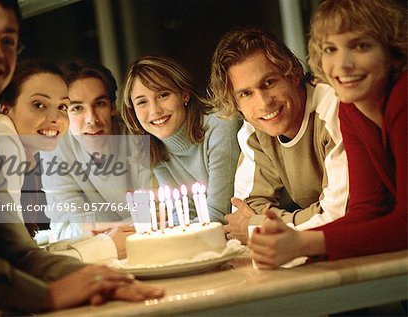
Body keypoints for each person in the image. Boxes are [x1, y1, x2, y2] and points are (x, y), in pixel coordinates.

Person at [0, 0, 163, 314]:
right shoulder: (1, 138)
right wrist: (46, 296)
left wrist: (99, 278)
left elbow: (14, 251)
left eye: (9, 40)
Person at [248, 0, 407, 269]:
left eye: (361, 46)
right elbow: (368, 209)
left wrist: (304, 243)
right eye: (330, 49)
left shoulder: (403, 98)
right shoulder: (352, 108)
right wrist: (293, 240)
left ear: (393, 50)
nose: (342, 64)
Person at [208, 28, 349, 244]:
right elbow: (243, 211)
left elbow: (338, 213)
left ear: (292, 75)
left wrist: (259, 226)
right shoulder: (253, 132)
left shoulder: (333, 108)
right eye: (246, 94)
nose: (264, 103)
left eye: (269, 83)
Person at [120, 55, 241, 224]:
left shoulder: (221, 125)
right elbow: (183, 214)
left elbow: (218, 214)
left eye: (163, 95)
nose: (154, 110)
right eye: (142, 102)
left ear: (184, 94)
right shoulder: (154, 148)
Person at [41, 60, 148, 244]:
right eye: (77, 108)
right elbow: (62, 228)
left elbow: (159, 214)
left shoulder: (138, 137)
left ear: (113, 107)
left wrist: (93, 228)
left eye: (99, 104)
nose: (91, 119)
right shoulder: (55, 147)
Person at [0, 59, 70, 237]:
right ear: (6, 109)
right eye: (39, 105)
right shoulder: (3, 142)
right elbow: (8, 246)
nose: (55, 117)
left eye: (62, 106)